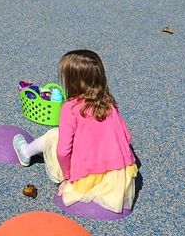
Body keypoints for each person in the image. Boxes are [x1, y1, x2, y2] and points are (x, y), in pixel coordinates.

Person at [13, 49, 138, 214]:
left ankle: (26, 152)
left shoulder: (70, 108)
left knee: (53, 135)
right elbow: (126, 137)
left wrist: (68, 177)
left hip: (88, 178)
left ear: (72, 82)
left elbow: (64, 151)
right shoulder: (108, 102)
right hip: (119, 179)